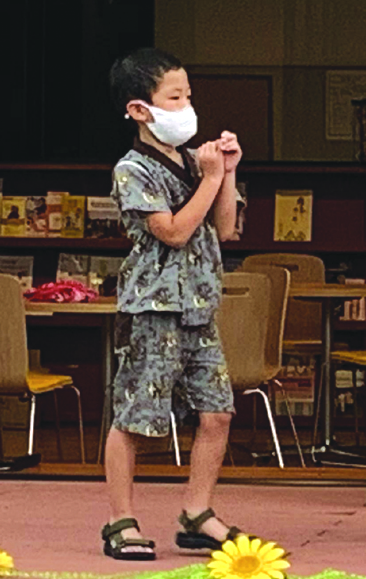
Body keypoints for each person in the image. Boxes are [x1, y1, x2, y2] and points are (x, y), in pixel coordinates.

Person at [101, 48, 246, 561]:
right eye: (175, 97)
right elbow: (174, 231)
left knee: (217, 413)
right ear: (141, 109)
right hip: (153, 307)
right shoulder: (132, 169)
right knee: (136, 414)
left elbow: (225, 228)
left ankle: (197, 511)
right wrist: (209, 180)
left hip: (199, 306)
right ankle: (120, 520)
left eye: (189, 95)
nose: (187, 106)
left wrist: (225, 173)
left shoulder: (193, 160)